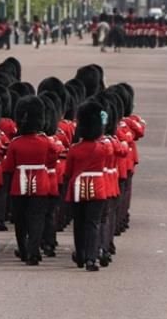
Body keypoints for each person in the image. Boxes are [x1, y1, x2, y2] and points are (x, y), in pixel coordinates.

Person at [2, 96, 57, 265]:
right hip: (40, 184)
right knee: (37, 218)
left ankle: (24, 250)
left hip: (19, 185)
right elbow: (52, 160)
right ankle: (34, 251)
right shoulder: (45, 142)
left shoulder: (15, 143)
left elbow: (8, 167)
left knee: (20, 219)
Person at [64, 100, 113, 271]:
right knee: (93, 223)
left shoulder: (74, 149)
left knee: (79, 222)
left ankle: (81, 255)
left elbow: (68, 171)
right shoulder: (103, 148)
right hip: (98, 188)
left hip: (78, 189)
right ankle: (92, 259)